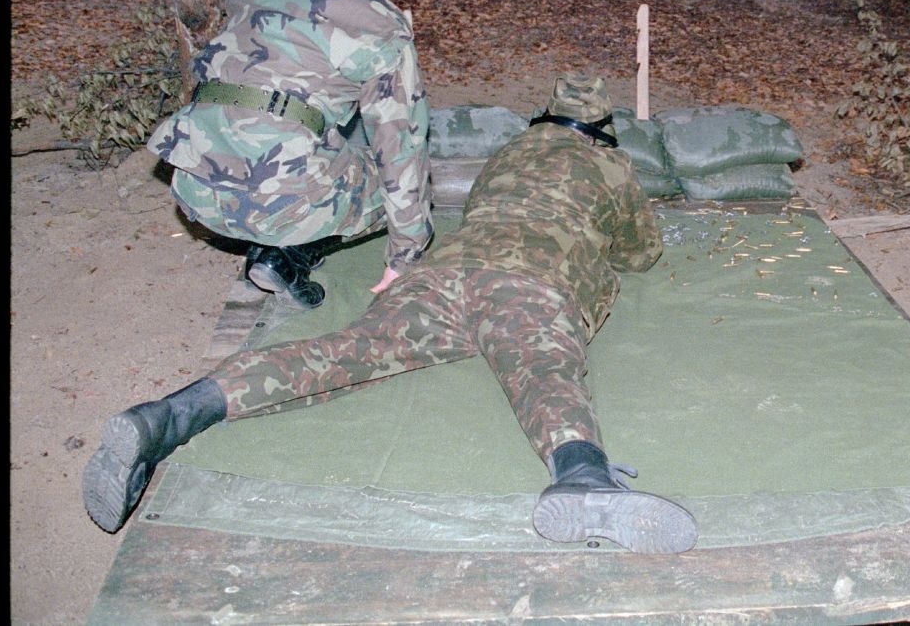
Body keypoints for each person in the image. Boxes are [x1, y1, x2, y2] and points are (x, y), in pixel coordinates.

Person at [85, 73, 698, 555]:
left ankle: (172, 413)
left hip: (443, 273)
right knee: (544, 369)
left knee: (343, 352)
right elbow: (642, 254)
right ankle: (583, 476)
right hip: (531, 280)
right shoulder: (611, 165)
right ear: (599, 128)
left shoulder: (508, 152)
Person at [148, 0, 433, 308]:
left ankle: (276, 245)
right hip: (276, 200)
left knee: (319, 142)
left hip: (197, 184)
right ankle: (285, 253)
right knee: (399, 183)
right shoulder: (380, 25)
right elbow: (401, 149)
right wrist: (406, 257)